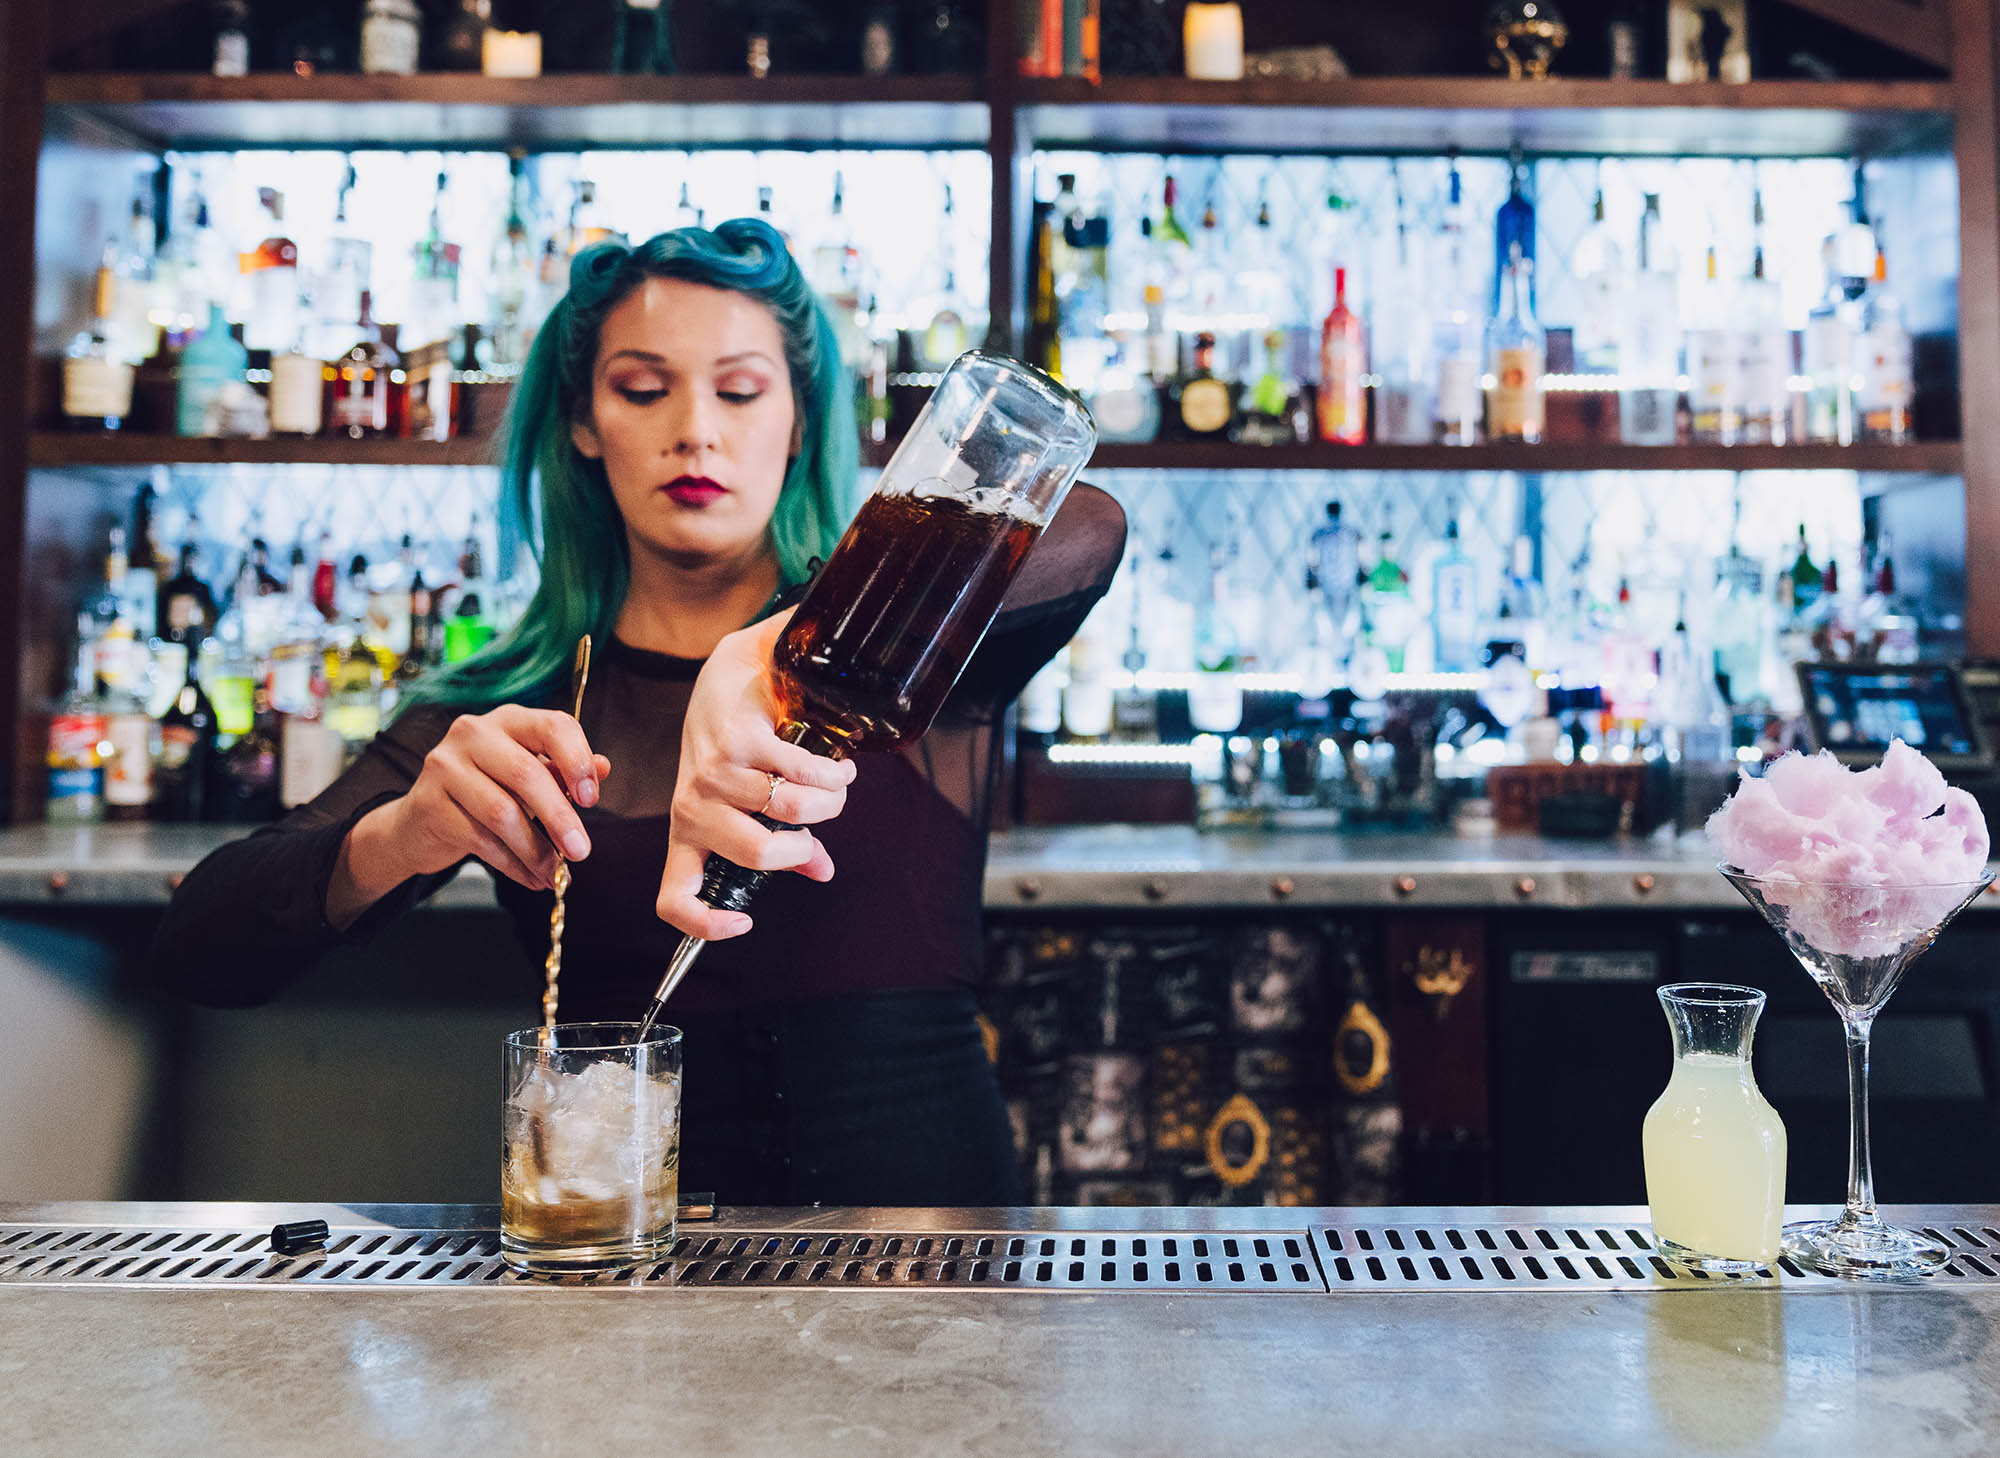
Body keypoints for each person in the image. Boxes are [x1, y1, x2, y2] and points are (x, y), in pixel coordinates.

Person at [150, 218, 1125, 1207]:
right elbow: (201, 946)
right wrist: (404, 834)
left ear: (798, 420)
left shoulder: (902, 649)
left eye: (740, 391)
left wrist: (770, 651)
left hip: (923, 1250)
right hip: (616, 1249)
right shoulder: (510, 705)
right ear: (582, 421)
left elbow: (1091, 526)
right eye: (643, 389)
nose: (695, 429)